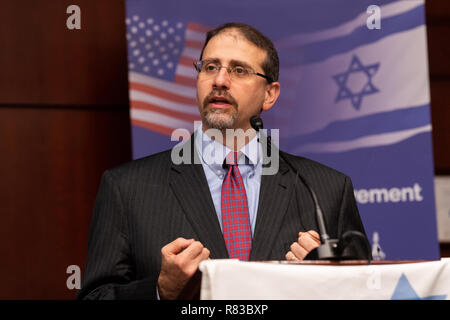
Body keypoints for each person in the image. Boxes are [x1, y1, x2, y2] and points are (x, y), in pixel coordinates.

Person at [77, 22, 369, 300]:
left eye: (239, 70)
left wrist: (329, 284)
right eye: (210, 67)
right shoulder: (126, 188)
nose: (219, 80)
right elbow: (95, 296)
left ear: (270, 94)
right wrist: (160, 291)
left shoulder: (326, 189)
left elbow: (368, 291)